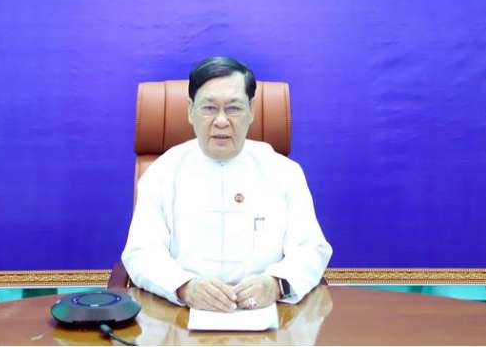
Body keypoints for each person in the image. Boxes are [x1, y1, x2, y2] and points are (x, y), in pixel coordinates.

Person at [121, 57, 332, 312]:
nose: (221, 121)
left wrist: (276, 284)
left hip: (268, 311)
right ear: (190, 110)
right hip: (181, 312)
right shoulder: (162, 172)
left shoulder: (285, 172)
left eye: (233, 108)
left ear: (251, 110)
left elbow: (311, 248)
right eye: (209, 108)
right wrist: (184, 286)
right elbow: (141, 252)